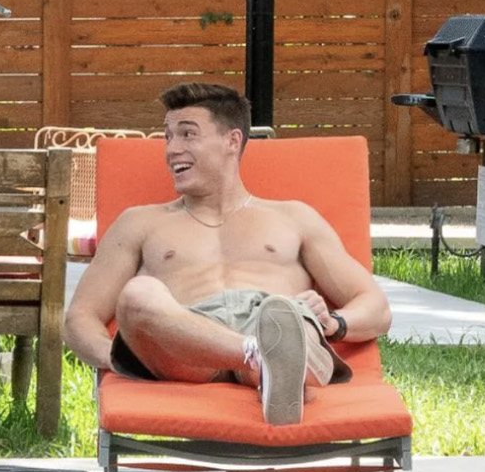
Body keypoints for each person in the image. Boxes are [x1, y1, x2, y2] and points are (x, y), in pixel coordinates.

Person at [61, 82, 391, 424]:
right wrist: (116, 358)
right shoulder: (139, 223)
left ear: (232, 141)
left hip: (271, 320)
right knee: (137, 295)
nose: (172, 149)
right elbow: (79, 318)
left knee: (290, 318)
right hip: (188, 343)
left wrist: (335, 324)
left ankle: (276, 361)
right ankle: (264, 360)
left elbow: (376, 307)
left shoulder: (294, 217)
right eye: (168, 136)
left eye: (188, 134)